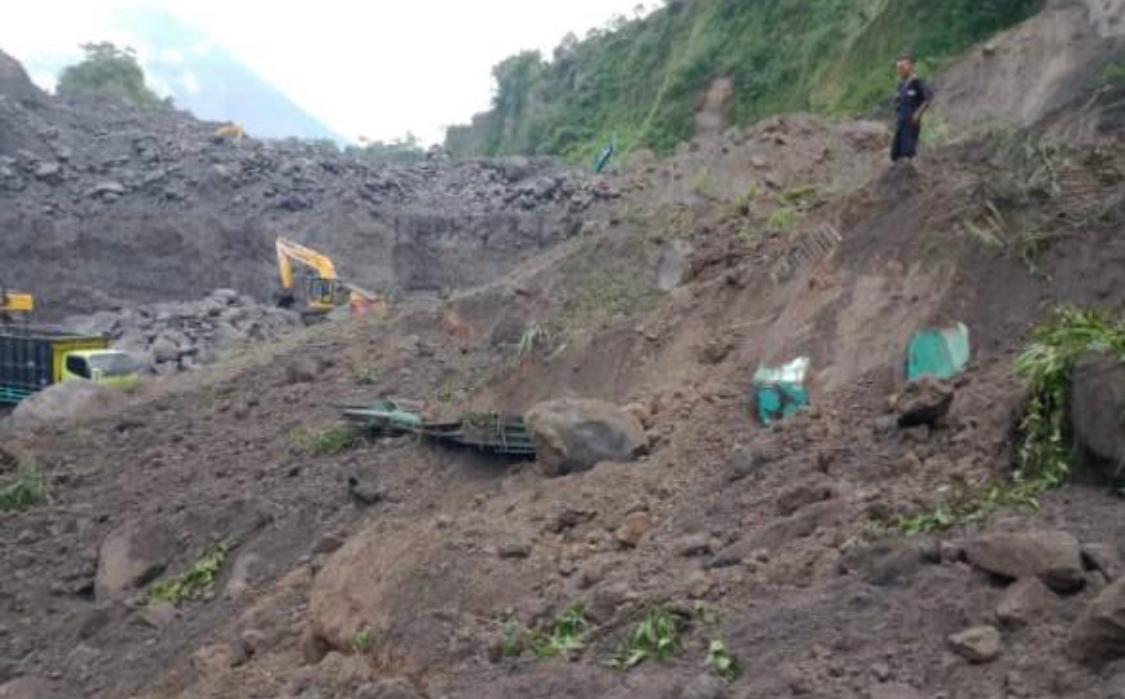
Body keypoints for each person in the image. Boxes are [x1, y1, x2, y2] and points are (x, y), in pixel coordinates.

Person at [891, 51, 934, 163]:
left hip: (911, 123)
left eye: (903, 66)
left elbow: (928, 98)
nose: (900, 69)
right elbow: (897, 102)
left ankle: (911, 170)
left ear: (910, 66)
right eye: (899, 67)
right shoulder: (901, 85)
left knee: (908, 153)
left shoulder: (917, 82)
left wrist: (917, 114)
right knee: (895, 154)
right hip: (901, 123)